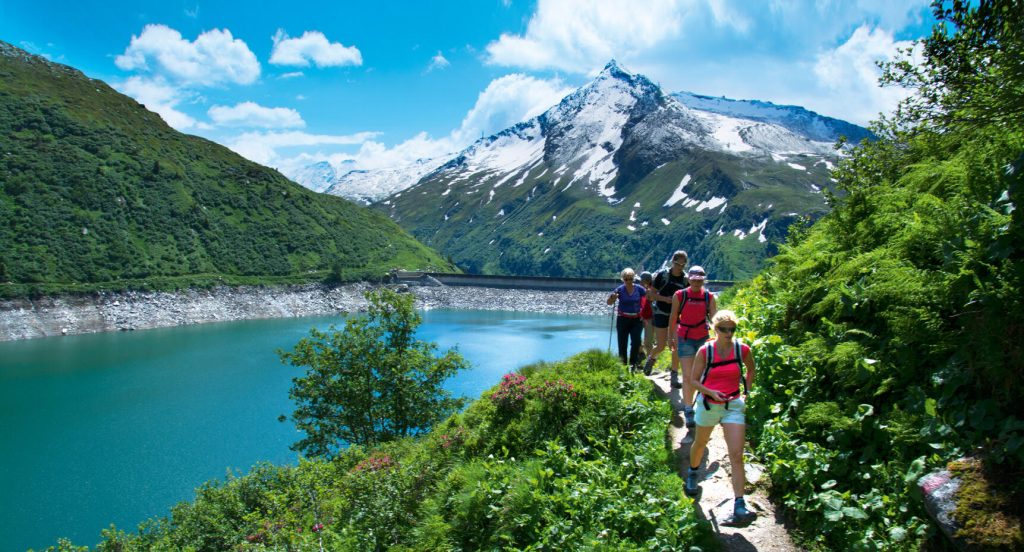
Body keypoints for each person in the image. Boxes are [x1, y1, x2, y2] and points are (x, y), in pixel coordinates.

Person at [683, 310, 756, 523]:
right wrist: (710, 392)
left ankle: (739, 504)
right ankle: (693, 472)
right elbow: (693, 381)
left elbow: (751, 370)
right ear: (715, 329)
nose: (728, 333)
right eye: (724, 329)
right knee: (700, 442)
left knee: (736, 455)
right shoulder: (706, 351)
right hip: (708, 405)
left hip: (733, 404)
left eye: (732, 329)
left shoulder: (742, 349)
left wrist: (746, 393)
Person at [667, 266, 718, 428]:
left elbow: (714, 320)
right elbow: (674, 317)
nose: (697, 282)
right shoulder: (680, 296)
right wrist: (670, 337)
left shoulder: (709, 297)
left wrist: (718, 340)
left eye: (700, 280)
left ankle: (699, 407)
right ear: (689, 279)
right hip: (685, 338)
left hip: (703, 339)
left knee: (703, 375)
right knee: (688, 376)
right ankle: (689, 409)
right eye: (694, 279)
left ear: (704, 280)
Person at [640, 250, 689, 382]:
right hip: (661, 312)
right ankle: (651, 358)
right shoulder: (662, 275)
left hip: (677, 315)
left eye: (683, 265)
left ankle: (674, 375)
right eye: (679, 264)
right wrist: (666, 299)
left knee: (676, 345)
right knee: (661, 345)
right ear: (673, 262)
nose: (681, 267)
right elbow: (651, 295)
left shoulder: (686, 280)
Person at [606, 268, 647, 371]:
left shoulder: (640, 289)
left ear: (634, 278)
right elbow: (609, 302)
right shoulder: (619, 289)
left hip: (637, 320)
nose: (628, 281)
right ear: (623, 279)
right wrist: (612, 298)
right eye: (626, 279)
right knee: (622, 343)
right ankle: (623, 365)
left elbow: (648, 298)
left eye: (631, 278)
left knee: (636, 342)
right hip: (623, 319)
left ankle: (633, 364)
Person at [638, 271, 655, 361]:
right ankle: (641, 355)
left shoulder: (653, 290)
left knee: (648, 342)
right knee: (636, 340)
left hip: (650, 318)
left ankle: (649, 362)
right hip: (641, 316)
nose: (641, 283)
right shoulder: (638, 289)